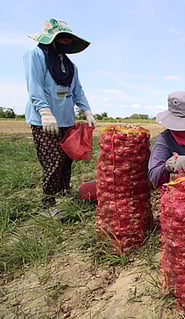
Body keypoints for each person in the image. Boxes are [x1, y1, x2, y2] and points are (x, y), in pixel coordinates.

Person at [24, 18, 96, 215]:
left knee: (66, 159)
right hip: (44, 121)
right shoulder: (36, 55)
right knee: (52, 159)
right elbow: (34, 86)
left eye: (67, 38)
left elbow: (77, 90)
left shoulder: (70, 65)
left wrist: (86, 110)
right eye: (61, 38)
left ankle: (63, 191)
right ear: (51, 38)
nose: (65, 42)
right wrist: (45, 112)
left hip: (66, 120)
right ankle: (48, 202)